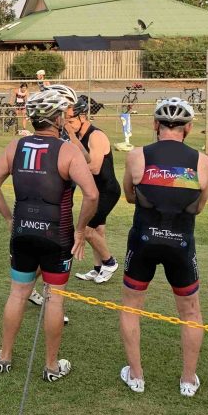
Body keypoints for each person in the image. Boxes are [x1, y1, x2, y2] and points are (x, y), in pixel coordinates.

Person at [0, 89, 99, 382]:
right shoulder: (68, 150)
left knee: (17, 293)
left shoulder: (15, 145)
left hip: (22, 231)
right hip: (56, 235)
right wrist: (81, 230)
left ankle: (5, 356)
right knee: (55, 299)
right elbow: (92, 194)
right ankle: (51, 366)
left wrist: (9, 218)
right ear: (58, 118)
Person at [119, 98, 208, 397]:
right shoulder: (202, 161)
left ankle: (136, 376)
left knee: (131, 307)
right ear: (189, 128)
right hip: (181, 243)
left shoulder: (137, 155)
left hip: (143, 240)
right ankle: (188, 380)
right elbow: (199, 207)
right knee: (190, 312)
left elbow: (129, 196)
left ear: (155, 125)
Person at [65, 95, 121, 283]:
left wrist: (70, 171)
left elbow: (95, 167)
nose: (68, 124)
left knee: (87, 231)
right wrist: (72, 137)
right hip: (95, 192)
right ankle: (98, 269)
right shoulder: (78, 135)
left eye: (71, 120)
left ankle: (110, 262)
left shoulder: (96, 135)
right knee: (98, 232)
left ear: (82, 117)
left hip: (107, 191)